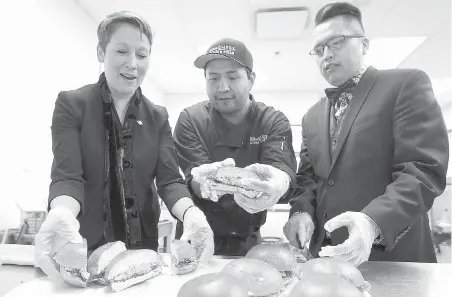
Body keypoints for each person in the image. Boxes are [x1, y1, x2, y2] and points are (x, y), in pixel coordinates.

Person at [34, 11, 214, 281]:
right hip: (85, 248)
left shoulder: (158, 116)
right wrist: (61, 213)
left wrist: (190, 213)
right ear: (100, 52)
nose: (132, 64)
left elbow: (169, 180)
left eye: (142, 55)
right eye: (121, 51)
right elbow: (67, 176)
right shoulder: (72, 105)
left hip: (142, 247)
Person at [283, 2, 449, 265]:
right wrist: (300, 212)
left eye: (337, 42)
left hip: (394, 257)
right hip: (326, 259)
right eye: (318, 49)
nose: (326, 54)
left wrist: (373, 222)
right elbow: (308, 179)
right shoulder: (311, 116)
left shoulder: (404, 85)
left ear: (364, 44)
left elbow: (422, 169)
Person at [173, 38, 298, 256]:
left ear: (250, 79)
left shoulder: (272, 121)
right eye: (213, 78)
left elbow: (281, 167)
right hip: (196, 234)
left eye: (232, 77)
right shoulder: (191, 120)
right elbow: (193, 176)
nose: (222, 87)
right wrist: (201, 181)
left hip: (247, 241)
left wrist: (278, 181)